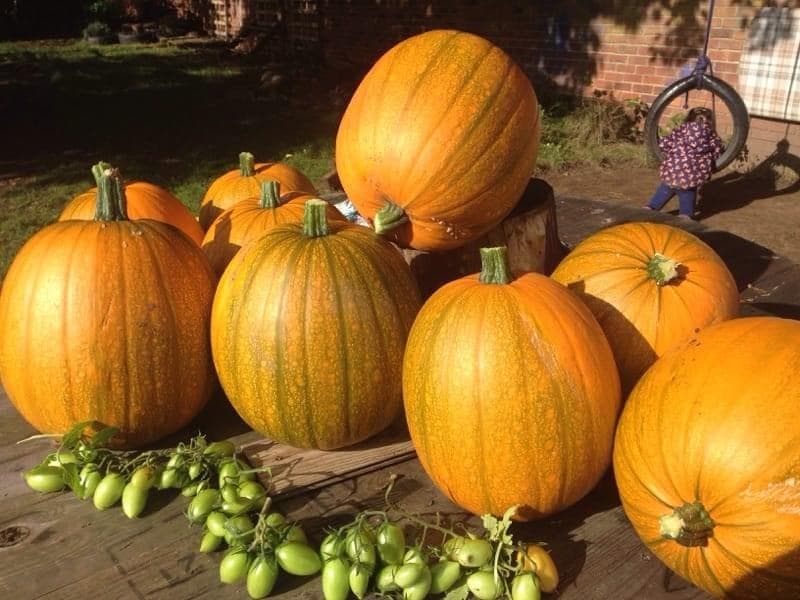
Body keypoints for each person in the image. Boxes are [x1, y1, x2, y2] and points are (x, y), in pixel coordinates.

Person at [645, 107, 724, 219]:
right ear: (711, 122)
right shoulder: (712, 137)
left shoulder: (679, 132)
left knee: (665, 189)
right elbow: (718, 152)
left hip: (672, 172)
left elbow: (664, 144)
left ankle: (650, 208)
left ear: (688, 119)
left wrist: (668, 154)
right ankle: (685, 217)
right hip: (691, 178)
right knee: (687, 194)